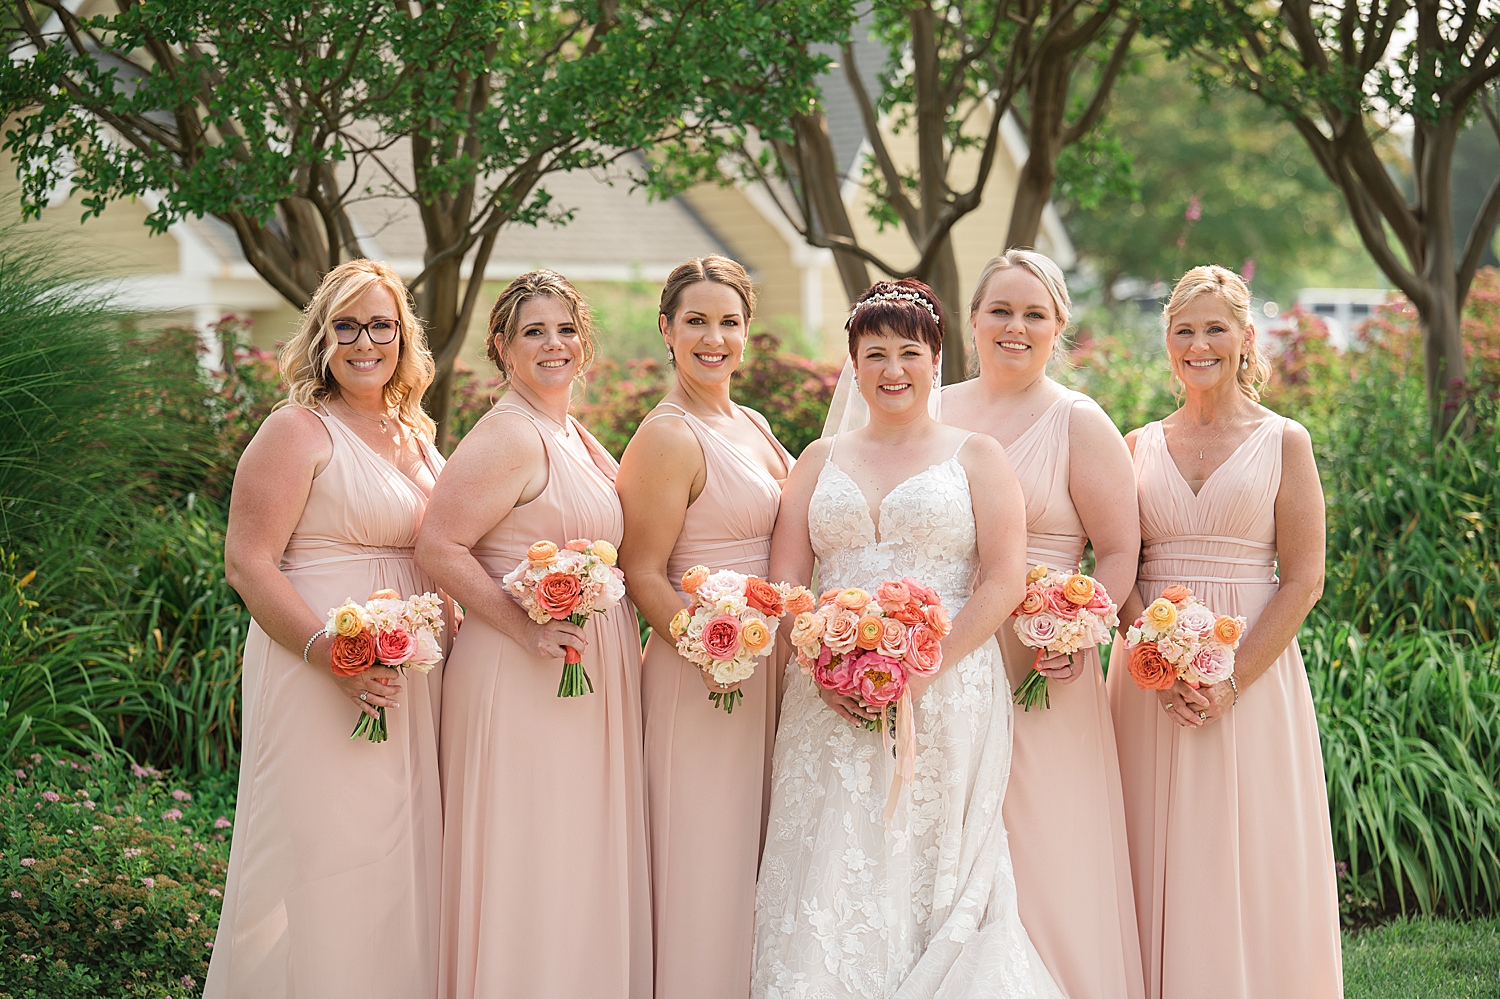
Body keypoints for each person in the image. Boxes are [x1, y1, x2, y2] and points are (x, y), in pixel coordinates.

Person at [753, 279, 1064, 998]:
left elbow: (1002, 579)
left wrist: (922, 671)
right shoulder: (816, 459)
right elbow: (791, 583)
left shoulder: (977, 455)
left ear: (936, 359)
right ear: (853, 364)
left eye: (909, 353)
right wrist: (828, 663)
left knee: (925, 858)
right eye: (876, 354)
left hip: (947, 687)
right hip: (826, 694)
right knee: (829, 850)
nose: (893, 369)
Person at [209, 259, 445, 999]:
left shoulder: (415, 430)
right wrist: (327, 653)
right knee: (324, 856)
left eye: (382, 325)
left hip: (406, 673)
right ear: (322, 336)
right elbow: (248, 563)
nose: (365, 341)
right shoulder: (296, 429)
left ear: (403, 337)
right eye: (347, 325)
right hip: (314, 666)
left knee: (394, 859)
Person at [1106, 265, 1341, 999]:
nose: (1199, 343)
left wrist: (1231, 678)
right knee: (1150, 842)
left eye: (1215, 328)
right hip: (1150, 673)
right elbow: (1118, 561)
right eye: (1184, 330)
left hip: (1252, 672)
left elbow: (1303, 576)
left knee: (1248, 842)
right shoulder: (1135, 442)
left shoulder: (1284, 440)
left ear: (1244, 339)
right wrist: (1155, 654)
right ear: (1167, 341)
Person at [415, 271, 650, 999]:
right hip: (523, 676)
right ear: (502, 348)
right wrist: (524, 627)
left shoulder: (571, 431)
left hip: (580, 673)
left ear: (585, 341)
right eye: (533, 332)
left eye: (566, 329)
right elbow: (439, 546)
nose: (555, 345)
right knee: (536, 853)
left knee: (576, 854)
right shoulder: (510, 434)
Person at [942, 250, 1145, 999]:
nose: (1015, 327)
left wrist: (1079, 631)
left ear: (1060, 326)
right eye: (1000, 310)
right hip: (947, 659)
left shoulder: (1077, 421)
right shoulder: (932, 410)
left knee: (1046, 847)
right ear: (973, 321)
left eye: (1035, 313)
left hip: (1041, 667)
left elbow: (1119, 550)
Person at [616, 255, 793, 999]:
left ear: (748, 331)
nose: (713, 337)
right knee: (705, 856)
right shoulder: (668, 436)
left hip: (767, 666)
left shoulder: (749, 422)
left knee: (755, 856)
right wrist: (711, 647)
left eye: (728, 322)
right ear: (667, 329)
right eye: (696, 321)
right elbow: (643, 571)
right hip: (704, 678)